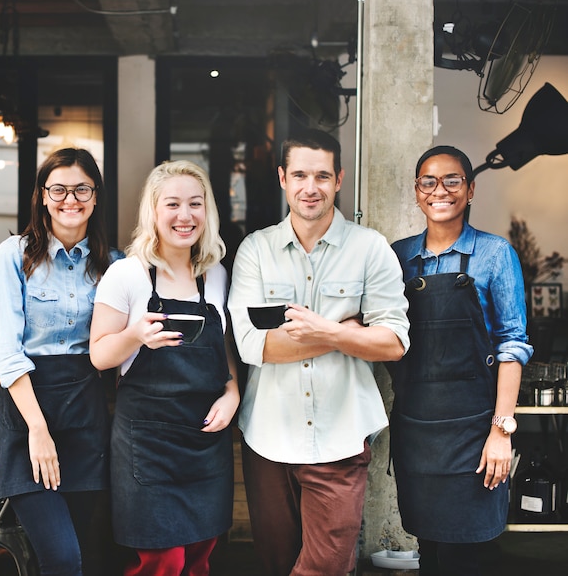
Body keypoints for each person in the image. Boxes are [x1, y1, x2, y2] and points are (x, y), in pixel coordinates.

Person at [227, 128, 410, 576]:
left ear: (339, 179)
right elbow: (253, 345)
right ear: (282, 178)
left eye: (323, 176)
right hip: (269, 437)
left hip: (341, 437)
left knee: (326, 567)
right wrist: (347, 333)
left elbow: (393, 342)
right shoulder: (256, 250)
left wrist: (321, 330)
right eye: (301, 175)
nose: (312, 187)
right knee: (276, 564)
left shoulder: (371, 249)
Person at [89, 159, 239, 576]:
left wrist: (232, 391)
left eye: (196, 203)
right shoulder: (127, 274)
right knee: (161, 561)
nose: (185, 215)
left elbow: (223, 344)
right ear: (153, 211)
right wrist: (136, 335)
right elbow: (100, 354)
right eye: (172, 204)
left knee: (198, 558)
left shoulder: (216, 275)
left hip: (205, 443)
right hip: (148, 446)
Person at [389, 145, 533, 576]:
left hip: (475, 431)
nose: (440, 191)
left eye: (452, 180)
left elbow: (513, 344)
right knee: (429, 552)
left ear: (470, 190)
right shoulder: (397, 257)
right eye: (428, 182)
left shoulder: (495, 254)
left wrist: (501, 431)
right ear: (417, 192)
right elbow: (382, 336)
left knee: (465, 555)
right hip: (416, 432)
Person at [0, 147, 123, 576]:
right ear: (43, 196)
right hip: (28, 415)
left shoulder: (113, 265)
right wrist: (37, 429)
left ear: (96, 195)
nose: (71, 199)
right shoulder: (14, 255)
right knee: (62, 556)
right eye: (59, 189)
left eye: (82, 188)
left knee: (79, 552)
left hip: (86, 414)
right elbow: (7, 351)